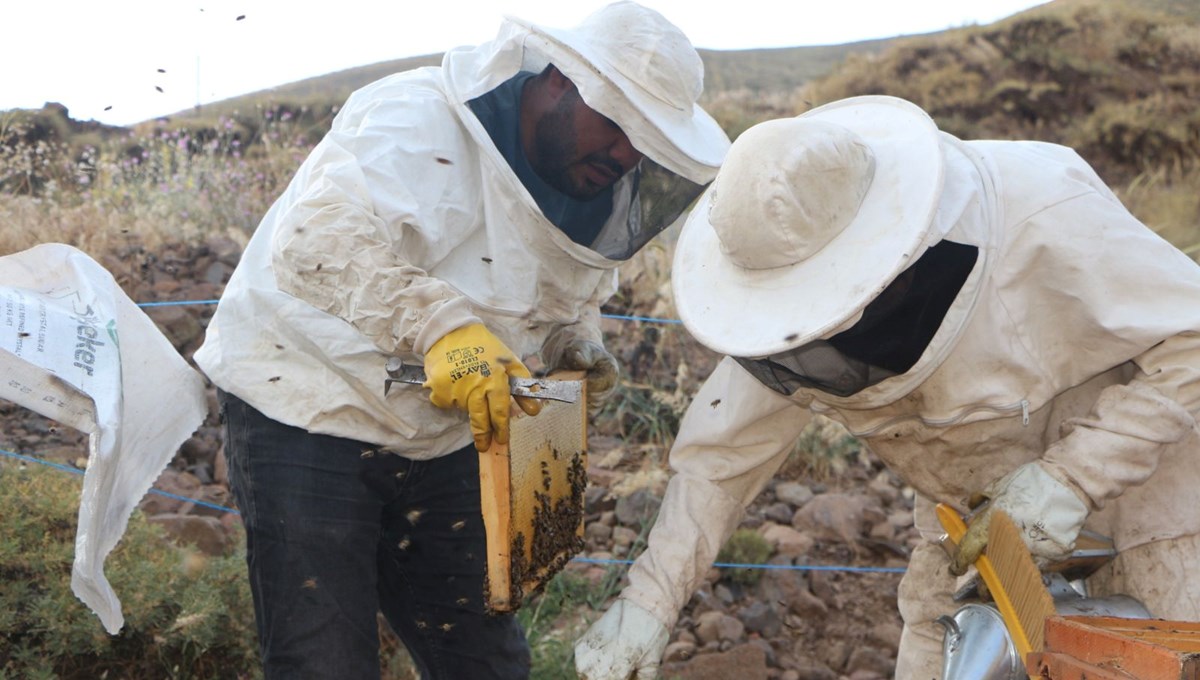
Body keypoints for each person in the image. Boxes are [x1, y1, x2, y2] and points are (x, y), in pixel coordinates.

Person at [573, 94, 1200, 679]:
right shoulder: (784, 328)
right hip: (970, 524)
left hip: (1147, 503)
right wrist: (648, 604)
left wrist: (1073, 478)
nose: (820, 332)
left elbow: (1191, 335)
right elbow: (719, 461)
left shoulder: (1040, 207)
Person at [192, 2, 730, 678]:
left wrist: (573, 340)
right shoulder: (416, 116)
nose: (627, 156)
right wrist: (441, 328)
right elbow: (317, 238)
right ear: (562, 80)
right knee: (322, 660)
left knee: (485, 661)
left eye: (647, 144)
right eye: (619, 125)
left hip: (446, 434)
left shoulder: (589, 181)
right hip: (307, 405)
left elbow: (565, 282)